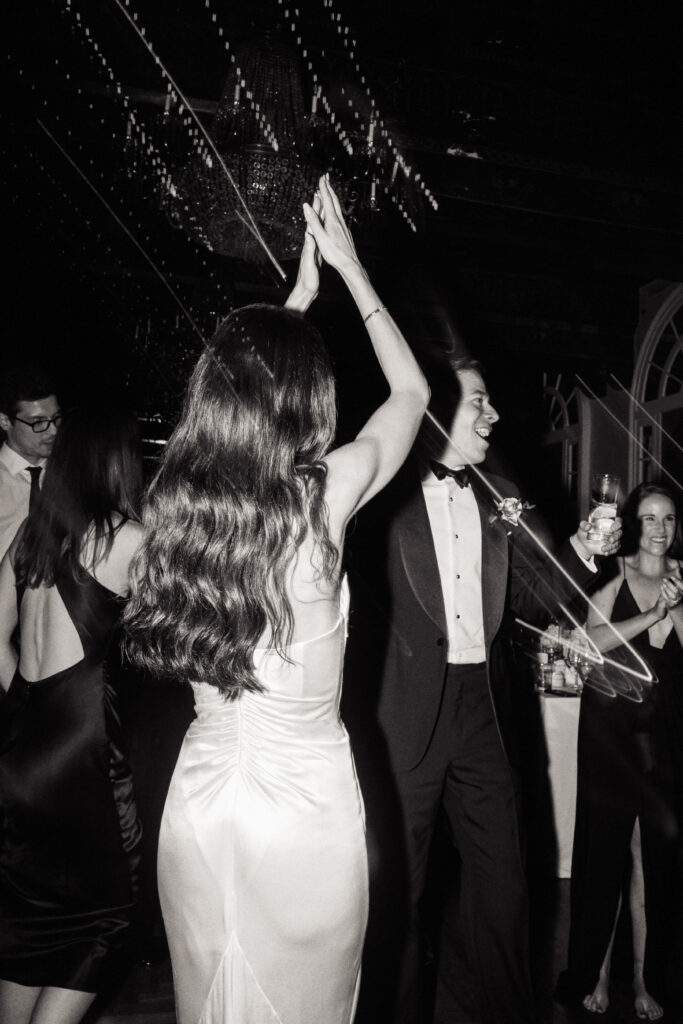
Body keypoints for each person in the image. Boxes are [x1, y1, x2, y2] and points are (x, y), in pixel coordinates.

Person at [123, 175, 430, 1024]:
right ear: (309, 398)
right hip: (301, 821)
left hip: (200, 808)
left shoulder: (179, 506)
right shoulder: (320, 498)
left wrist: (289, 306)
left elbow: (224, 397)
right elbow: (411, 397)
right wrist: (351, 273)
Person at [342, 353, 622, 1024]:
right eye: (478, 403)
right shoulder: (381, 492)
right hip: (401, 716)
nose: (493, 415)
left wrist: (583, 552)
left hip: (484, 712)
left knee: (504, 885)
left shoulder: (501, 496)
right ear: (436, 410)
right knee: (400, 897)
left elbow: (532, 598)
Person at [0, 405, 144, 1024]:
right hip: (82, 764)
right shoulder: (126, 540)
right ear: (117, 462)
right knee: (110, 918)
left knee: (28, 929)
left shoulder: (33, 534)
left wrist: (32, 712)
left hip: (19, 760)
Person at [557, 483, 683, 1021]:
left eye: (669, 519)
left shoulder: (682, 576)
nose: (659, 529)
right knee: (605, 855)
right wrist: (654, 612)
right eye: (649, 519)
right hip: (612, 729)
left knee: (650, 860)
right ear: (634, 523)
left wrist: (675, 607)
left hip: (665, 735)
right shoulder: (614, 571)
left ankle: (644, 979)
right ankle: (597, 974)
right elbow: (591, 642)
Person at [0, 367, 61, 562]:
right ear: (5, 421)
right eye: (38, 422)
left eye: (56, 419)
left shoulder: (69, 475)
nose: (53, 431)